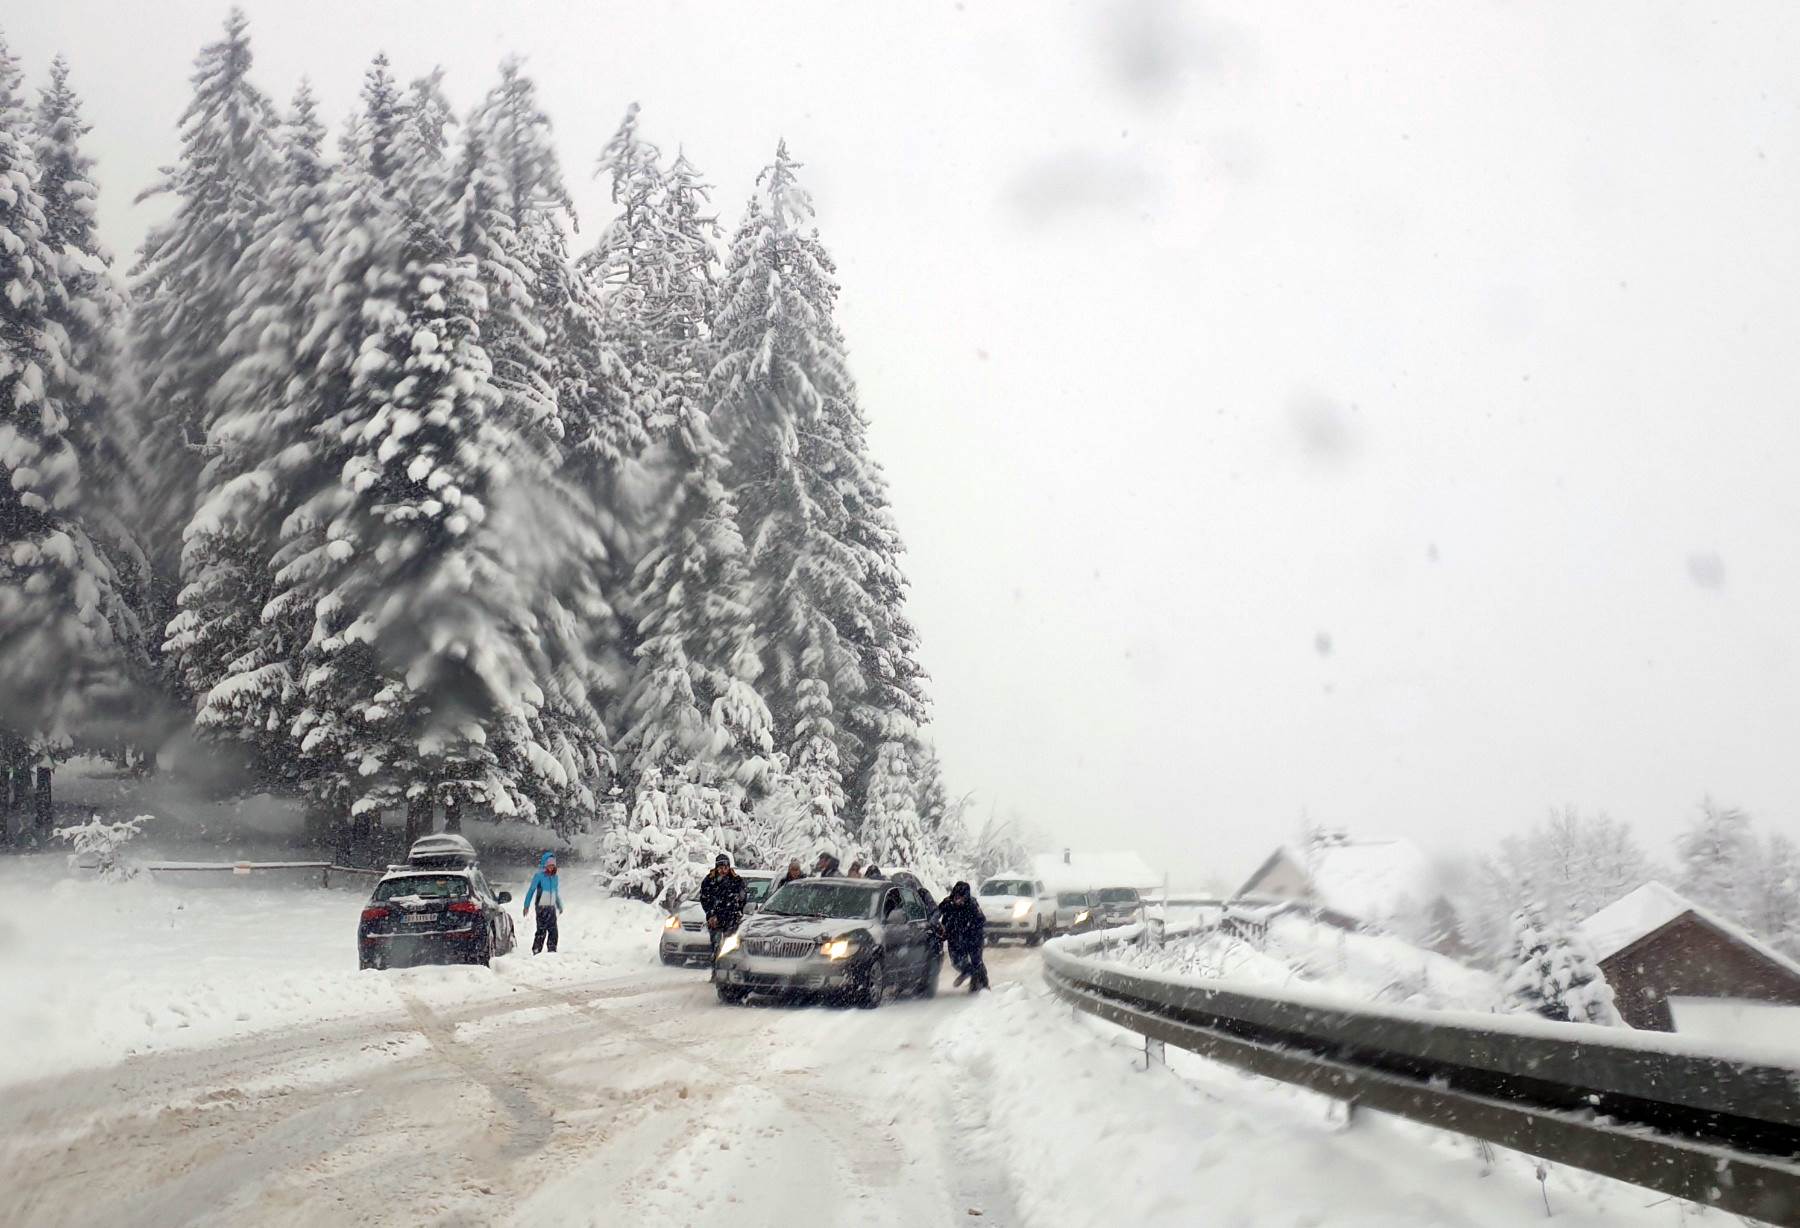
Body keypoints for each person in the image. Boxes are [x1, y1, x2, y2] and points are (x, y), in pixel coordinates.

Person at [937, 881, 989, 993]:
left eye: (961, 897)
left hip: (974, 938)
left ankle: (983, 985)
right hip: (954, 938)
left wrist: (969, 928)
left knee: (977, 961)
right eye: (956, 897)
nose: (958, 900)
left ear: (966, 897)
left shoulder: (972, 905)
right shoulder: (947, 903)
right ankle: (969, 972)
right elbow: (936, 913)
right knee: (957, 962)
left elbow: (981, 920)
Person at [698, 854, 749, 960]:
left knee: (730, 948)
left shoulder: (736, 880)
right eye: (720, 867)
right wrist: (711, 914)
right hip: (715, 919)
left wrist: (738, 911)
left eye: (725, 867)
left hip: (731, 919)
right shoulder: (709, 880)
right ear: (716, 867)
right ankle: (716, 969)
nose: (723, 870)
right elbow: (704, 899)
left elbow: (743, 898)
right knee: (716, 948)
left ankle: (729, 969)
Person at [522, 851, 564, 954]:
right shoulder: (539, 876)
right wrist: (526, 906)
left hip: (551, 907)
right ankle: (536, 950)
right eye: (549, 865)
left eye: (553, 865)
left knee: (553, 931)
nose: (551, 867)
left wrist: (559, 905)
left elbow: (555, 892)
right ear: (545, 865)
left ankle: (552, 950)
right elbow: (531, 890)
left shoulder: (555, 877)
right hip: (541, 907)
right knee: (541, 930)